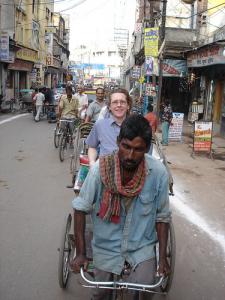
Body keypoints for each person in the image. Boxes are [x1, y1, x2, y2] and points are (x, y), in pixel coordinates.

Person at [71, 114, 171, 300]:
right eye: (126, 147)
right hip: (106, 247)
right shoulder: (99, 170)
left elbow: (162, 218)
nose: (130, 156)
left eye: (138, 149)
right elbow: (80, 209)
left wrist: (163, 257)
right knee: (100, 293)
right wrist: (81, 253)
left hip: (141, 248)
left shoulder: (158, 173)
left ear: (147, 149)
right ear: (118, 142)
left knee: (145, 291)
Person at [86, 88, 132, 167]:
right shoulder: (100, 125)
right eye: (115, 102)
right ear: (109, 107)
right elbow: (92, 147)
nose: (119, 105)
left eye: (122, 102)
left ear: (128, 106)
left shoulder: (136, 126)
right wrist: (92, 162)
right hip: (105, 171)